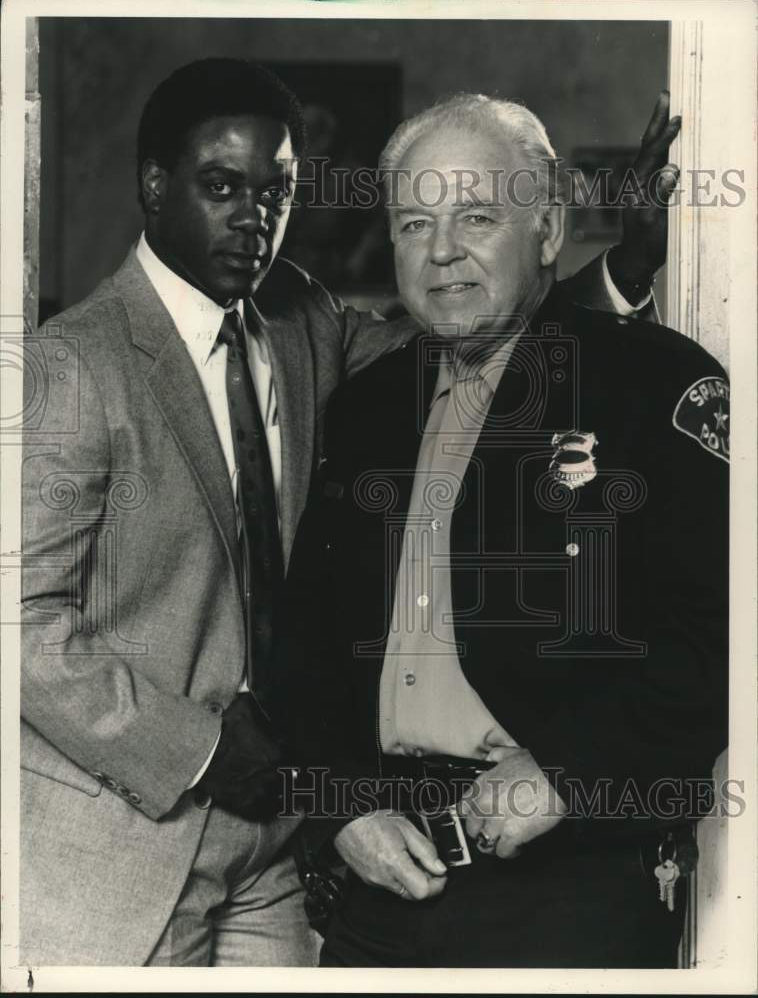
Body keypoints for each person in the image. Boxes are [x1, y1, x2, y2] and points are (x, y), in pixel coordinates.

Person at [20, 57, 673, 966]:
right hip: (124, 838)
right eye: (220, 186)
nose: (254, 218)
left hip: (279, 847)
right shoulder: (69, 366)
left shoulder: (300, 320)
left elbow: (471, 320)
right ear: (153, 187)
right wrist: (203, 751)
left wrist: (623, 270)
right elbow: (18, 623)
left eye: (276, 191)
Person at [280, 93, 729, 968]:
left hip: (571, 887)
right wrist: (341, 808)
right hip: (382, 878)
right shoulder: (368, 408)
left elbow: (716, 640)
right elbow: (307, 644)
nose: (441, 252)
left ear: (549, 229)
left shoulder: (652, 384)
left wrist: (569, 772)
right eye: (414, 223)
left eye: (476, 216)